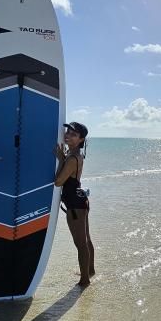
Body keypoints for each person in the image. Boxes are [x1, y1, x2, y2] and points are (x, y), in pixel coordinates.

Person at [53, 121, 95, 287]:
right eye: (68, 132)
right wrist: (63, 158)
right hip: (80, 201)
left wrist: (60, 159)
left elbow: (58, 182)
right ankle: (89, 271)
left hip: (75, 205)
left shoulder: (72, 158)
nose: (68, 135)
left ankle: (84, 280)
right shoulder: (76, 155)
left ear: (81, 139)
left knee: (80, 243)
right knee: (86, 240)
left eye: (73, 134)